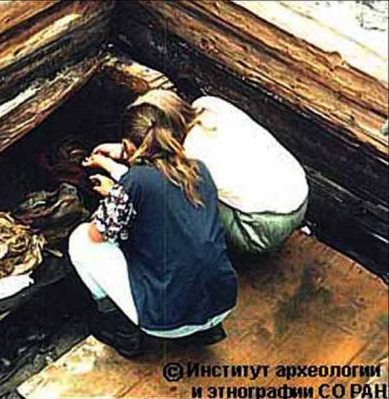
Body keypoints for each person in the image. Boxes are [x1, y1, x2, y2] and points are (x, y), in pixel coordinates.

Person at [68, 90, 238, 357]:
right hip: (222, 302)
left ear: (128, 144)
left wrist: (115, 194)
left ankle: (120, 329)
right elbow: (159, 187)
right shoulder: (199, 169)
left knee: (80, 241)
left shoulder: (135, 182)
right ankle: (207, 329)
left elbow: (97, 233)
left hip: (167, 321)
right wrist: (116, 179)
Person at [91, 90, 309, 255]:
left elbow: (153, 192)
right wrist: (123, 150)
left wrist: (116, 177)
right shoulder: (208, 106)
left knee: (174, 203)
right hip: (298, 193)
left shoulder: (190, 161)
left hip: (263, 227)